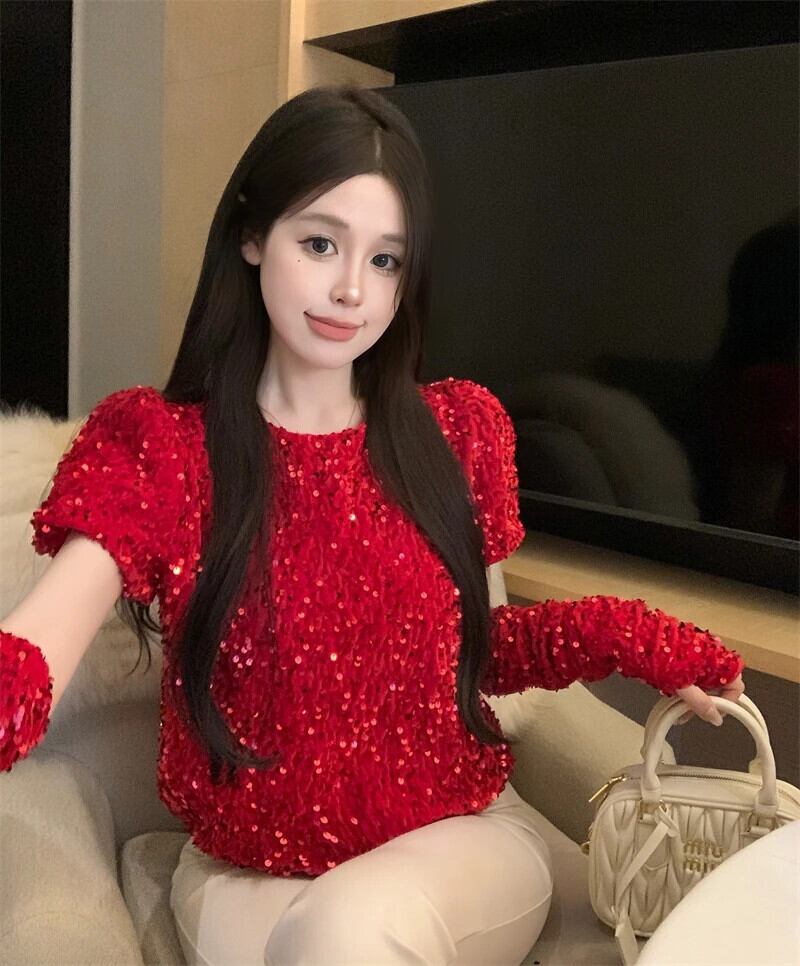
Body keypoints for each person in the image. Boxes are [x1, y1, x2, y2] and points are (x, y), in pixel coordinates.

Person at [1, 84, 745, 966]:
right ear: (252, 235)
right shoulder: (159, 447)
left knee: (346, 933)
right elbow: (40, 643)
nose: (352, 289)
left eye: (386, 260)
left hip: (460, 842)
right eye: (320, 243)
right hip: (249, 878)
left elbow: (477, 654)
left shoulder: (454, 432)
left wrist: (631, 635)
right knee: (325, 937)